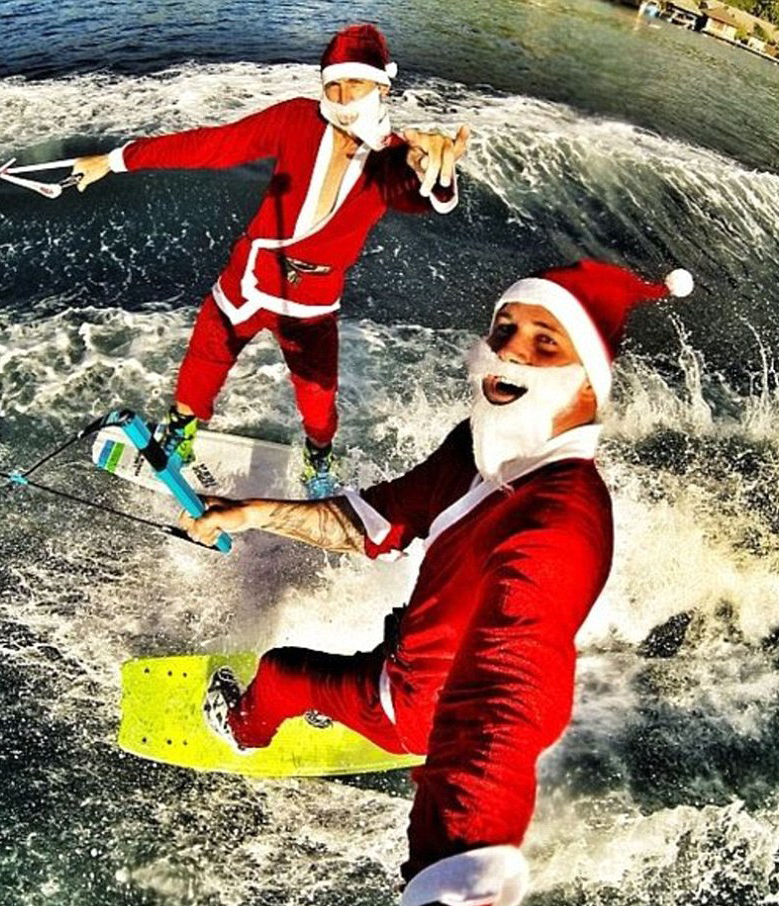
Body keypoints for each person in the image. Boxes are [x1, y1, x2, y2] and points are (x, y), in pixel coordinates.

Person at [182, 260, 694, 905]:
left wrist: (456, 873)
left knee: (282, 672)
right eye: (505, 328)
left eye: (545, 342)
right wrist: (253, 513)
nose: (510, 350)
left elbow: (502, 705)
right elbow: (378, 519)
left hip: (416, 710)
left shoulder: (558, 522)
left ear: (589, 380)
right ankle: (347, 699)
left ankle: (243, 731)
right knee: (394, 629)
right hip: (414, 655)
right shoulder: (482, 448)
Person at [71, 24, 469, 498]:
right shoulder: (296, 120)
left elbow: (416, 195)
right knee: (202, 362)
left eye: (356, 83)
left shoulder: (395, 159)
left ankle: (318, 458)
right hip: (250, 276)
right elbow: (212, 145)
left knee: (318, 404)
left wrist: (433, 173)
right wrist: (115, 160)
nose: (344, 97)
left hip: (311, 302)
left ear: (383, 86)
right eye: (334, 84)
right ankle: (181, 432)